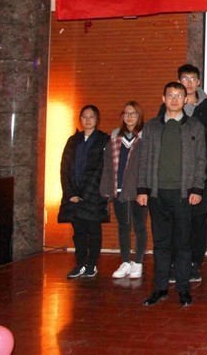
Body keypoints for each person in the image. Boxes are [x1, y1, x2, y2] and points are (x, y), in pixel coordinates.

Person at [138, 82, 207, 307]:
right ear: (163, 98)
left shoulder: (194, 126)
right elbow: (143, 159)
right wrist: (142, 189)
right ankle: (160, 289)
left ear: (186, 99)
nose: (175, 99)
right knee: (161, 244)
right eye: (170, 95)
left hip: (183, 194)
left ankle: (183, 289)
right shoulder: (151, 126)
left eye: (179, 95)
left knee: (183, 244)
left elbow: (201, 159)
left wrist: (197, 188)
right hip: (156, 194)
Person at [59, 105, 110, 279]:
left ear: (97, 119)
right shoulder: (73, 140)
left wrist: (86, 194)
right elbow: (64, 168)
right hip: (74, 196)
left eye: (91, 116)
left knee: (94, 232)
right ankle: (80, 264)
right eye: (84, 117)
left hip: (93, 196)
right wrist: (70, 193)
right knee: (79, 233)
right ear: (80, 119)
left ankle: (91, 265)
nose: (87, 120)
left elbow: (102, 169)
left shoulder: (104, 140)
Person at [100, 101, 147, 280]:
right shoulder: (114, 136)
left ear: (139, 116)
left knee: (140, 227)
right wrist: (106, 188)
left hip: (139, 190)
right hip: (119, 189)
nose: (129, 117)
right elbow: (107, 165)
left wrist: (145, 188)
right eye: (126, 113)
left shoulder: (145, 137)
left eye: (133, 113)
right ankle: (126, 261)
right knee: (123, 227)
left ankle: (138, 262)